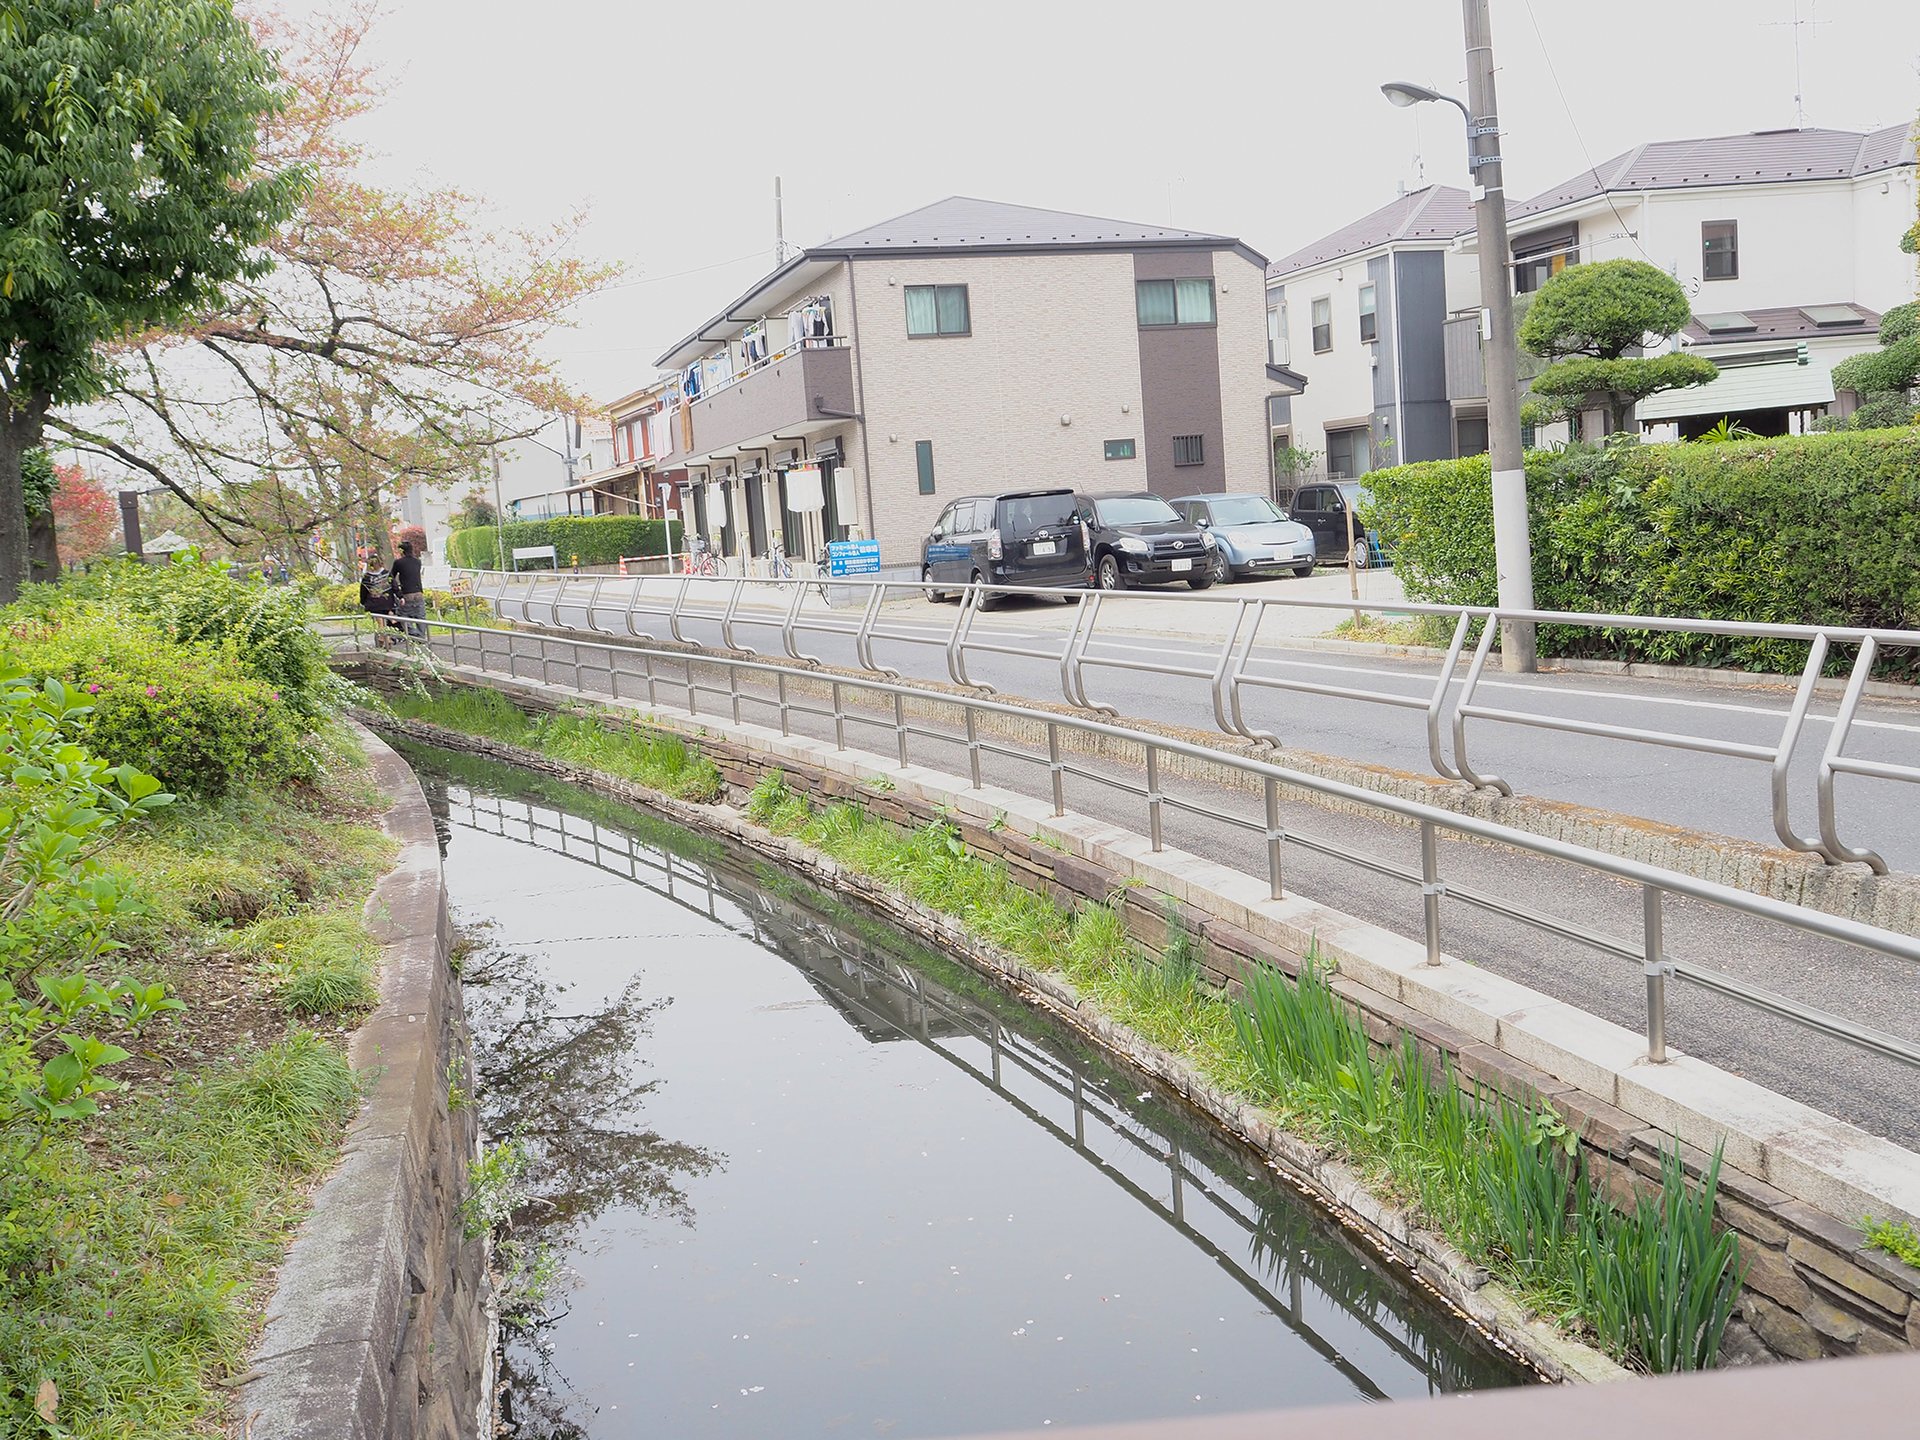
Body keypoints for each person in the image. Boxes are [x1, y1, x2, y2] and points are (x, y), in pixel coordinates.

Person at [358, 558, 398, 648]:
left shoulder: (367, 577)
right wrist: (400, 596)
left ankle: (383, 638)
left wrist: (363, 602)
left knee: (380, 621)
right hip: (387, 601)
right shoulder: (386, 574)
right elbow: (394, 585)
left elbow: (363, 591)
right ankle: (385, 639)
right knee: (383, 621)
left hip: (373, 603)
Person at [390, 540, 426, 639]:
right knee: (420, 617)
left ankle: (414, 634)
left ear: (402, 551)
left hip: (407, 593)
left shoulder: (399, 563)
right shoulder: (417, 562)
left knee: (403, 616)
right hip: (419, 592)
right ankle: (421, 636)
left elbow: (391, 577)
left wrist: (397, 590)